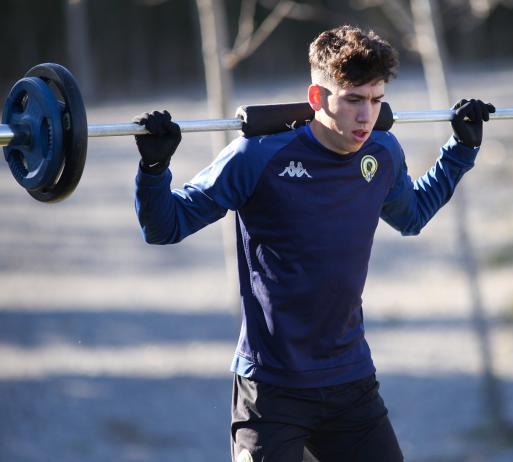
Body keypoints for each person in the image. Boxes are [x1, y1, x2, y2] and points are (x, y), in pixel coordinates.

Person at [133, 25, 494, 462]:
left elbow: (412, 216)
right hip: (272, 390)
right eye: (354, 100)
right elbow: (165, 227)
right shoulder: (257, 156)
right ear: (318, 98)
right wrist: (154, 168)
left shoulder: (382, 153)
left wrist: (460, 151)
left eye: (377, 100)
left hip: (350, 382)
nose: (367, 116)